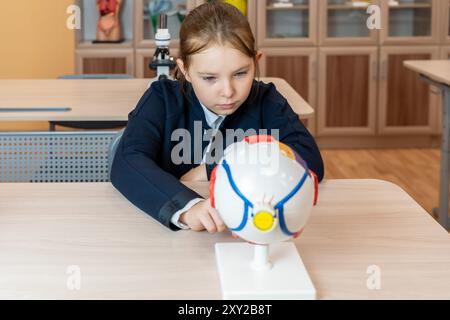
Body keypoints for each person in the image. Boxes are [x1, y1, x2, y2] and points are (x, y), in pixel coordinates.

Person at [110, 1, 324, 234]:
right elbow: (127, 160)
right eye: (210, 78)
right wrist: (188, 208)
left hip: (245, 233)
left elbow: (308, 158)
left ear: (256, 61)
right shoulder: (162, 99)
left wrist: (213, 168)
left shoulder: (266, 101)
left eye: (241, 74)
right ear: (185, 70)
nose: (228, 91)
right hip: (172, 237)